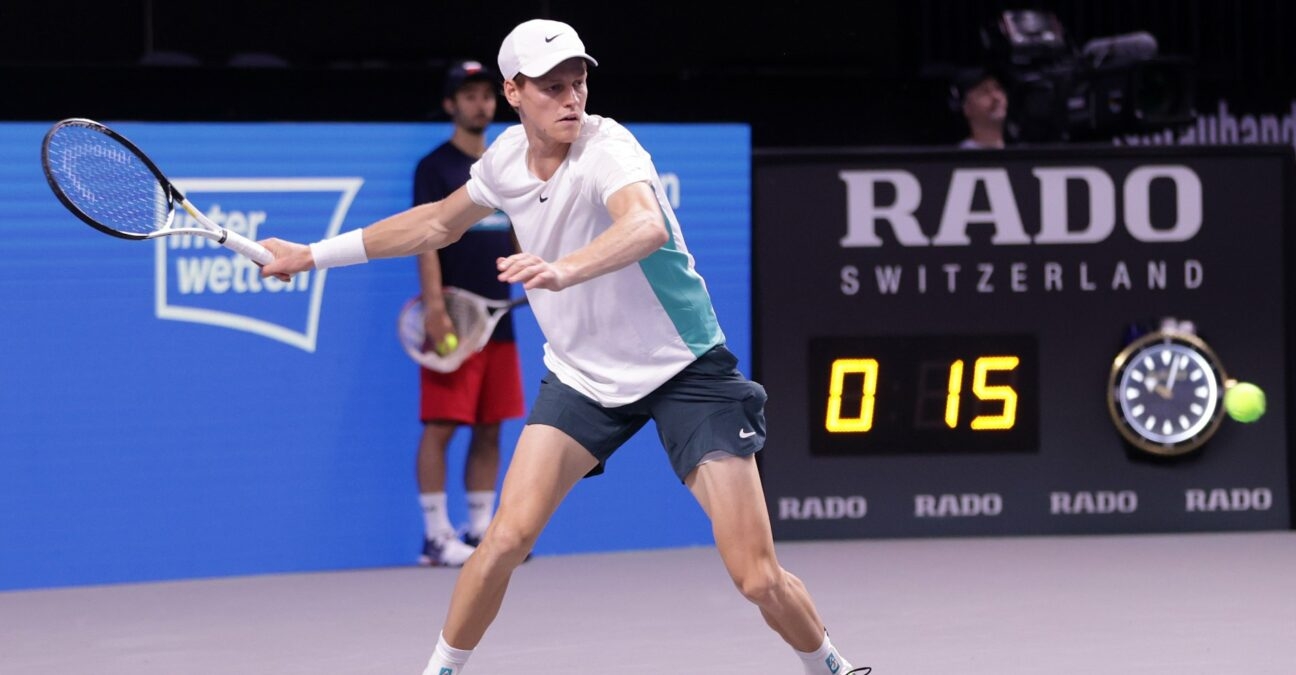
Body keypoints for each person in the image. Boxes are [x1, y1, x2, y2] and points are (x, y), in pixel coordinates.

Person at [259, 18, 867, 675]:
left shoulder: (610, 149)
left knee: (756, 575)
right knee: (504, 540)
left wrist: (564, 268)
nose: (572, 97)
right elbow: (436, 222)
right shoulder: (501, 165)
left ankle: (828, 663)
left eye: (578, 82)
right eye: (553, 86)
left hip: (685, 369)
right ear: (513, 92)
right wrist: (311, 254)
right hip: (583, 378)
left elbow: (644, 223)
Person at [411, 60, 525, 568]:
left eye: (486, 94)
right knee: (441, 425)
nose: (480, 103)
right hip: (455, 319)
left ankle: (480, 531)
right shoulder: (433, 167)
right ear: (450, 104)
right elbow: (424, 243)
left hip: (501, 318)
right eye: (469, 95)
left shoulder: (505, 165)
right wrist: (436, 309)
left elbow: (521, 234)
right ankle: (436, 537)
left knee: (491, 425)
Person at [955, 67, 1009, 149]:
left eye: (998, 88)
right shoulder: (958, 159)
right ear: (967, 107)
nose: (996, 97)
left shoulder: (1023, 155)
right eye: (984, 91)